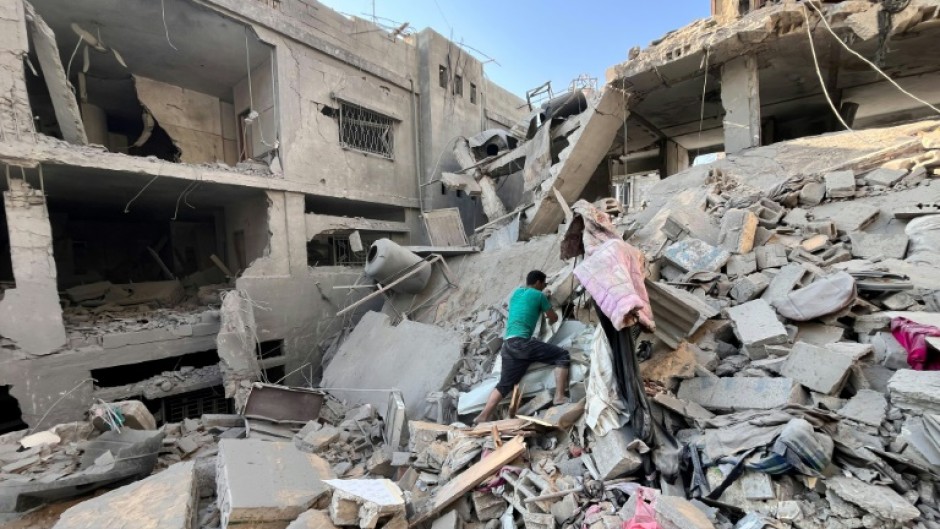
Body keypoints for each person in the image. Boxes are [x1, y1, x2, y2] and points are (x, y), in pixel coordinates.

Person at [473, 270, 570, 424]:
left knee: (505, 384)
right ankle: (559, 396)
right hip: (522, 343)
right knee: (562, 355)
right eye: (544, 283)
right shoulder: (539, 296)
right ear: (538, 282)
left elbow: (525, 309)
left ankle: (483, 415)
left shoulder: (516, 294)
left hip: (508, 345)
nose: (544, 286)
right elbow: (553, 318)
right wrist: (547, 304)